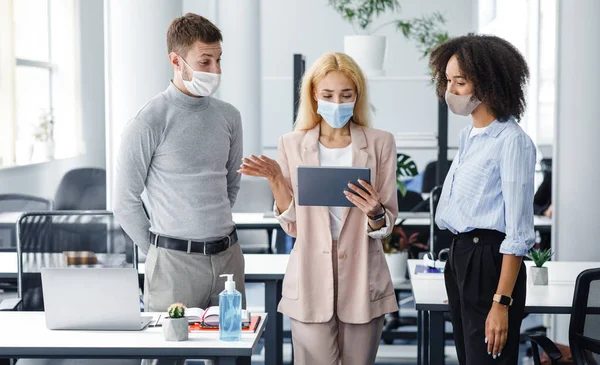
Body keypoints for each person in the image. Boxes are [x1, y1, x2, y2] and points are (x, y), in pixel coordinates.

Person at [238, 52, 398, 364]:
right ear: (313, 95)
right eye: (327, 94)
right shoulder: (292, 144)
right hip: (310, 274)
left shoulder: (380, 143)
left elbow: (387, 219)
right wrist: (275, 179)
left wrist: (375, 212)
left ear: (357, 96)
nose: (336, 102)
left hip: (363, 271)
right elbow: (292, 226)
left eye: (345, 94)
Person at [113, 13, 245, 364]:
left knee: (231, 354)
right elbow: (124, 202)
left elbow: (230, 182)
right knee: (167, 358)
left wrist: (213, 230)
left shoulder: (229, 116)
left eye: (218, 60)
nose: (215, 70)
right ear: (177, 60)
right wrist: (160, 251)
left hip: (229, 256)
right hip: (172, 265)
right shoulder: (148, 121)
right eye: (205, 61)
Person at [429, 34, 535, 365]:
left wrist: (501, 303)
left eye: (459, 82)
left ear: (488, 83)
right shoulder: (469, 137)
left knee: (487, 358)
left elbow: (517, 233)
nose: (450, 91)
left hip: (488, 259)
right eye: (448, 81)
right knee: (470, 357)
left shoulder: (511, 142)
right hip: (461, 254)